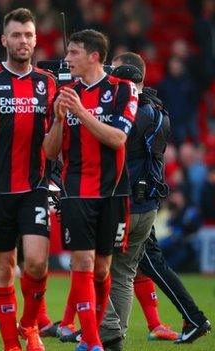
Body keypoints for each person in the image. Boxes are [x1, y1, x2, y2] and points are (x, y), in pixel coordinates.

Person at [0, 8, 56, 351]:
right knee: (3, 269)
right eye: (17, 35)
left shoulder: (47, 83)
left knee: (36, 262)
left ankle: (30, 324)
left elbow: (55, 140)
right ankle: (11, 345)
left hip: (34, 187)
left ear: (35, 39)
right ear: (4, 40)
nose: (23, 41)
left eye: (29, 35)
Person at [43, 29, 138, 351]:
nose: (67, 59)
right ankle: (93, 342)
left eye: (73, 53)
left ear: (94, 56)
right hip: (76, 190)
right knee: (82, 263)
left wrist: (80, 113)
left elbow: (118, 139)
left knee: (102, 269)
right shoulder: (65, 92)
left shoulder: (122, 89)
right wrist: (58, 120)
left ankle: (91, 336)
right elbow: (50, 151)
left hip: (112, 191)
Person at [97, 52, 171, 350]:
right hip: (149, 204)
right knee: (125, 273)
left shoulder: (132, 111)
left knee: (95, 266)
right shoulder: (158, 109)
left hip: (123, 202)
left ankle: (109, 329)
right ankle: (117, 337)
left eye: (113, 73)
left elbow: (114, 142)